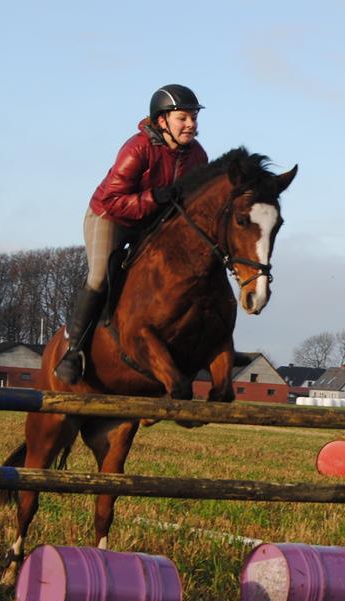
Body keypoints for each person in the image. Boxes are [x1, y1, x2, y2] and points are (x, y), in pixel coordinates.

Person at [55, 84, 210, 384]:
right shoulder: (137, 148)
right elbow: (113, 200)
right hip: (110, 216)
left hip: (150, 220)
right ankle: (73, 350)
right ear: (162, 121)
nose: (191, 124)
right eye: (183, 118)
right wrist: (154, 198)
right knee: (100, 276)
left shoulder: (197, 156)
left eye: (193, 117)